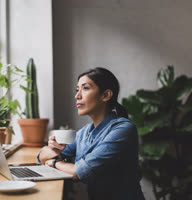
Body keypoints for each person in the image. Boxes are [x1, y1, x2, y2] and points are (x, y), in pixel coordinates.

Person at [37, 67, 145, 200]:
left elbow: (82, 172)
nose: (77, 96)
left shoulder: (123, 129)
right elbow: (41, 156)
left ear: (105, 95)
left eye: (85, 88)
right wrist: (51, 151)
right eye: (77, 89)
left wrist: (54, 163)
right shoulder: (83, 133)